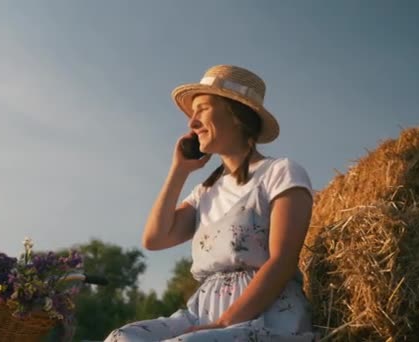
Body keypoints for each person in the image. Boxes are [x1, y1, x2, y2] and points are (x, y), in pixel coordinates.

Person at [104, 65, 317, 341]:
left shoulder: (280, 172)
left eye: (202, 109)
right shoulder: (205, 193)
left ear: (236, 114)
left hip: (265, 312)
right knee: (123, 338)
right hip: (201, 312)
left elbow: (283, 261)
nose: (192, 123)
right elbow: (154, 239)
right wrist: (178, 171)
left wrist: (225, 322)